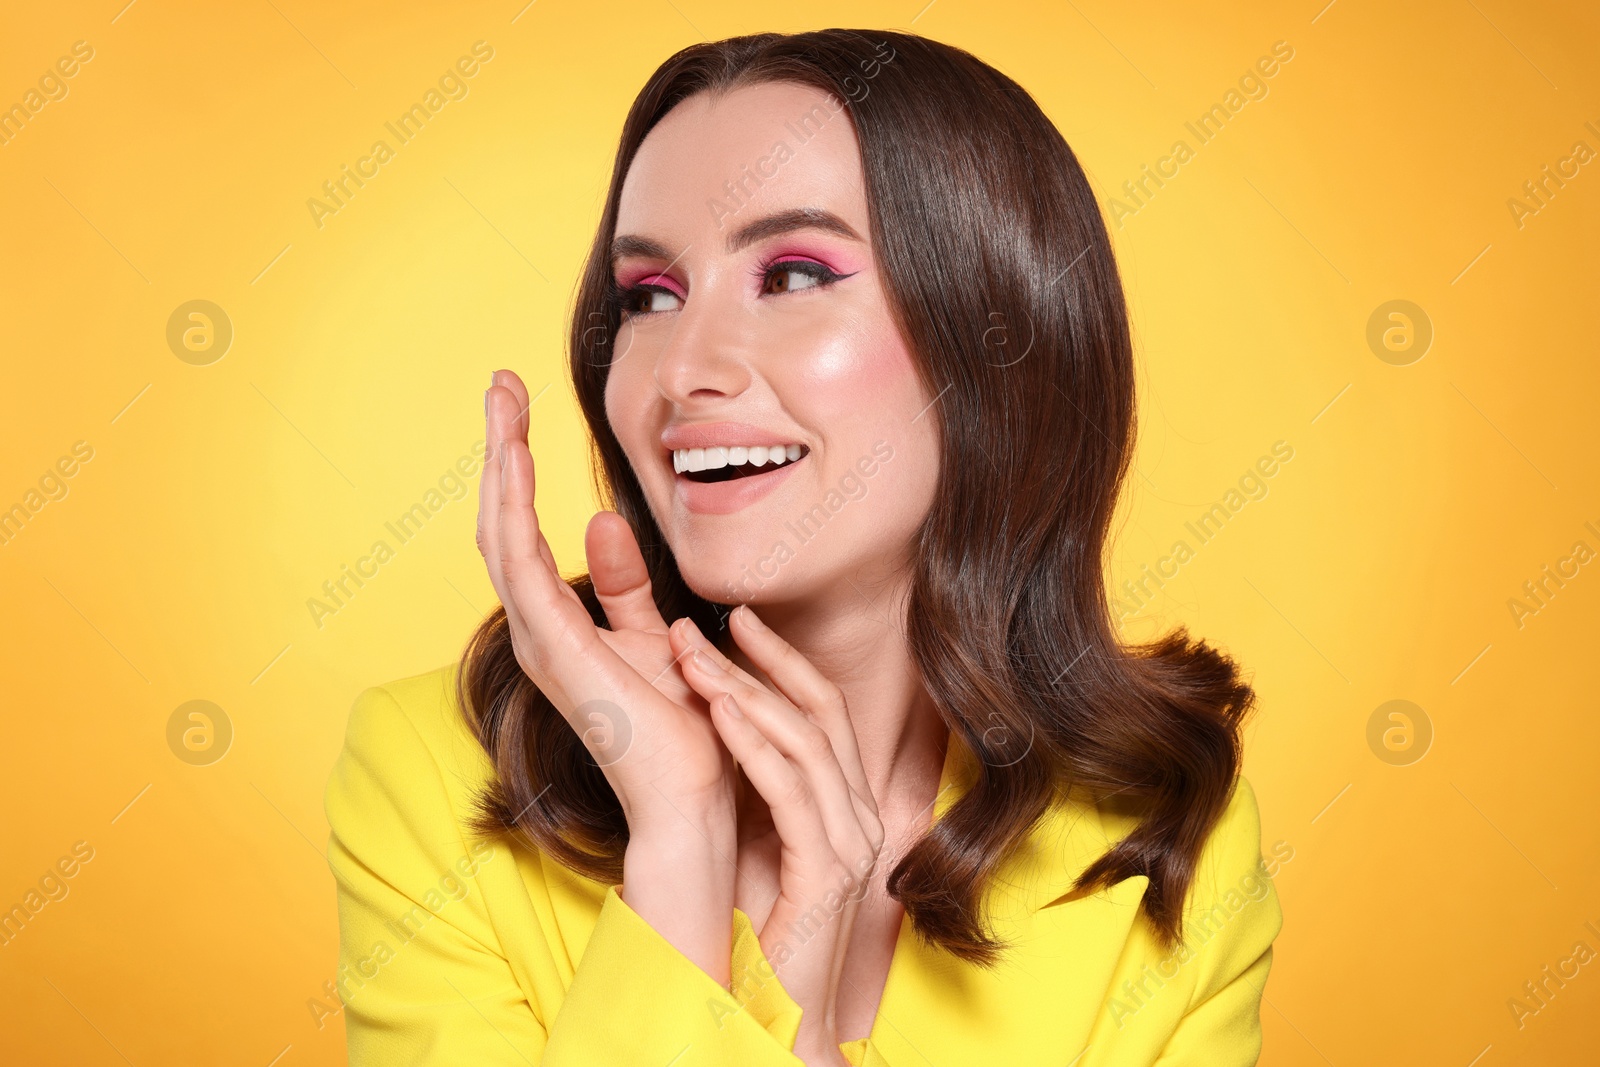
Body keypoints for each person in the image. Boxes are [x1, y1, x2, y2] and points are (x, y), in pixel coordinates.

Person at [324, 27, 1282, 1066]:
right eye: (648, 295)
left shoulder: (1159, 838)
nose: (682, 366)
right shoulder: (431, 769)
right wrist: (680, 850)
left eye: (790, 274)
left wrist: (809, 1039)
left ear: (997, 335)